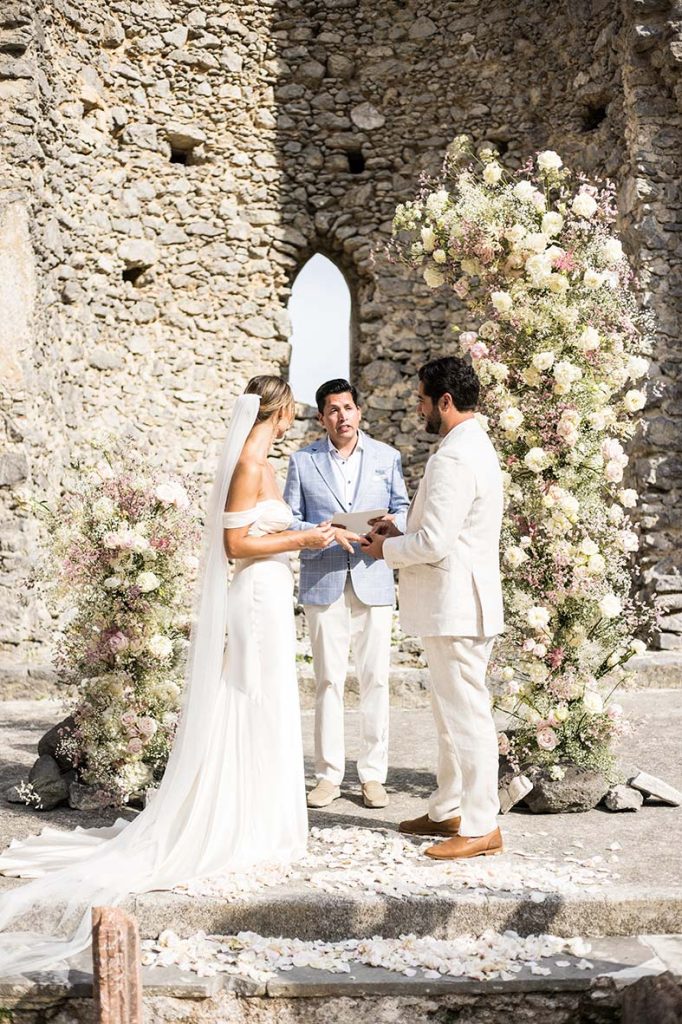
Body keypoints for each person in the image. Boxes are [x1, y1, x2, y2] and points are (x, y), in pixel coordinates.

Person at [0, 375, 334, 976]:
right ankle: (245, 824)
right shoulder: (250, 463)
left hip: (268, 594)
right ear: (277, 409)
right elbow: (234, 544)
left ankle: (264, 818)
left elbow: (259, 535)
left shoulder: (262, 461)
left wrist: (306, 540)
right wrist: (305, 536)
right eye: (292, 412)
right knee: (253, 703)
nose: (295, 422)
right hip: (254, 599)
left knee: (269, 706)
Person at [361, 356, 505, 859]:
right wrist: (400, 529)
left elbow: (438, 543)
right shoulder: (471, 447)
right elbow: (449, 529)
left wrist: (385, 550)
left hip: (457, 607)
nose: (418, 406)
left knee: (467, 716)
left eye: (423, 398)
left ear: (445, 401)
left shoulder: (454, 458)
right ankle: (448, 809)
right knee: (449, 713)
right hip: (458, 603)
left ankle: (483, 824)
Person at [284, 379, 410, 810]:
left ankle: (373, 776)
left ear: (359, 412)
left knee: (375, 678)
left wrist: (393, 522)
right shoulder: (302, 462)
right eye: (333, 410)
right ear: (321, 418)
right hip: (324, 579)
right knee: (329, 680)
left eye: (348, 407)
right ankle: (327, 776)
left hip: (373, 575)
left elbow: (405, 508)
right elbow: (290, 521)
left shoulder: (386, 457)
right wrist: (325, 531)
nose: (342, 416)